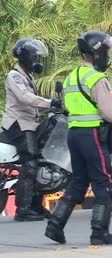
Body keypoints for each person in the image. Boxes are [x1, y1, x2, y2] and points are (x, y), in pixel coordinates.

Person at [44, 30, 112, 245]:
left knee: (78, 181)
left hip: (74, 135)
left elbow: (65, 107)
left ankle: (55, 224)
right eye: (106, 53)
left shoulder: (72, 76)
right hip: (93, 135)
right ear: (97, 54)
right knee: (103, 182)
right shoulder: (96, 78)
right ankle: (99, 231)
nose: (108, 57)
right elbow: (108, 111)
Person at [1, 38, 62, 221]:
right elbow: (25, 98)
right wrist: (51, 103)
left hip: (29, 123)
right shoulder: (14, 76)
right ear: (24, 56)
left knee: (42, 160)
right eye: (33, 56)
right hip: (18, 124)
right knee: (31, 161)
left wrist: (56, 107)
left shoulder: (28, 76)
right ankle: (23, 210)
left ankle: (36, 206)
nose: (36, 60)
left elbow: (33, 103)